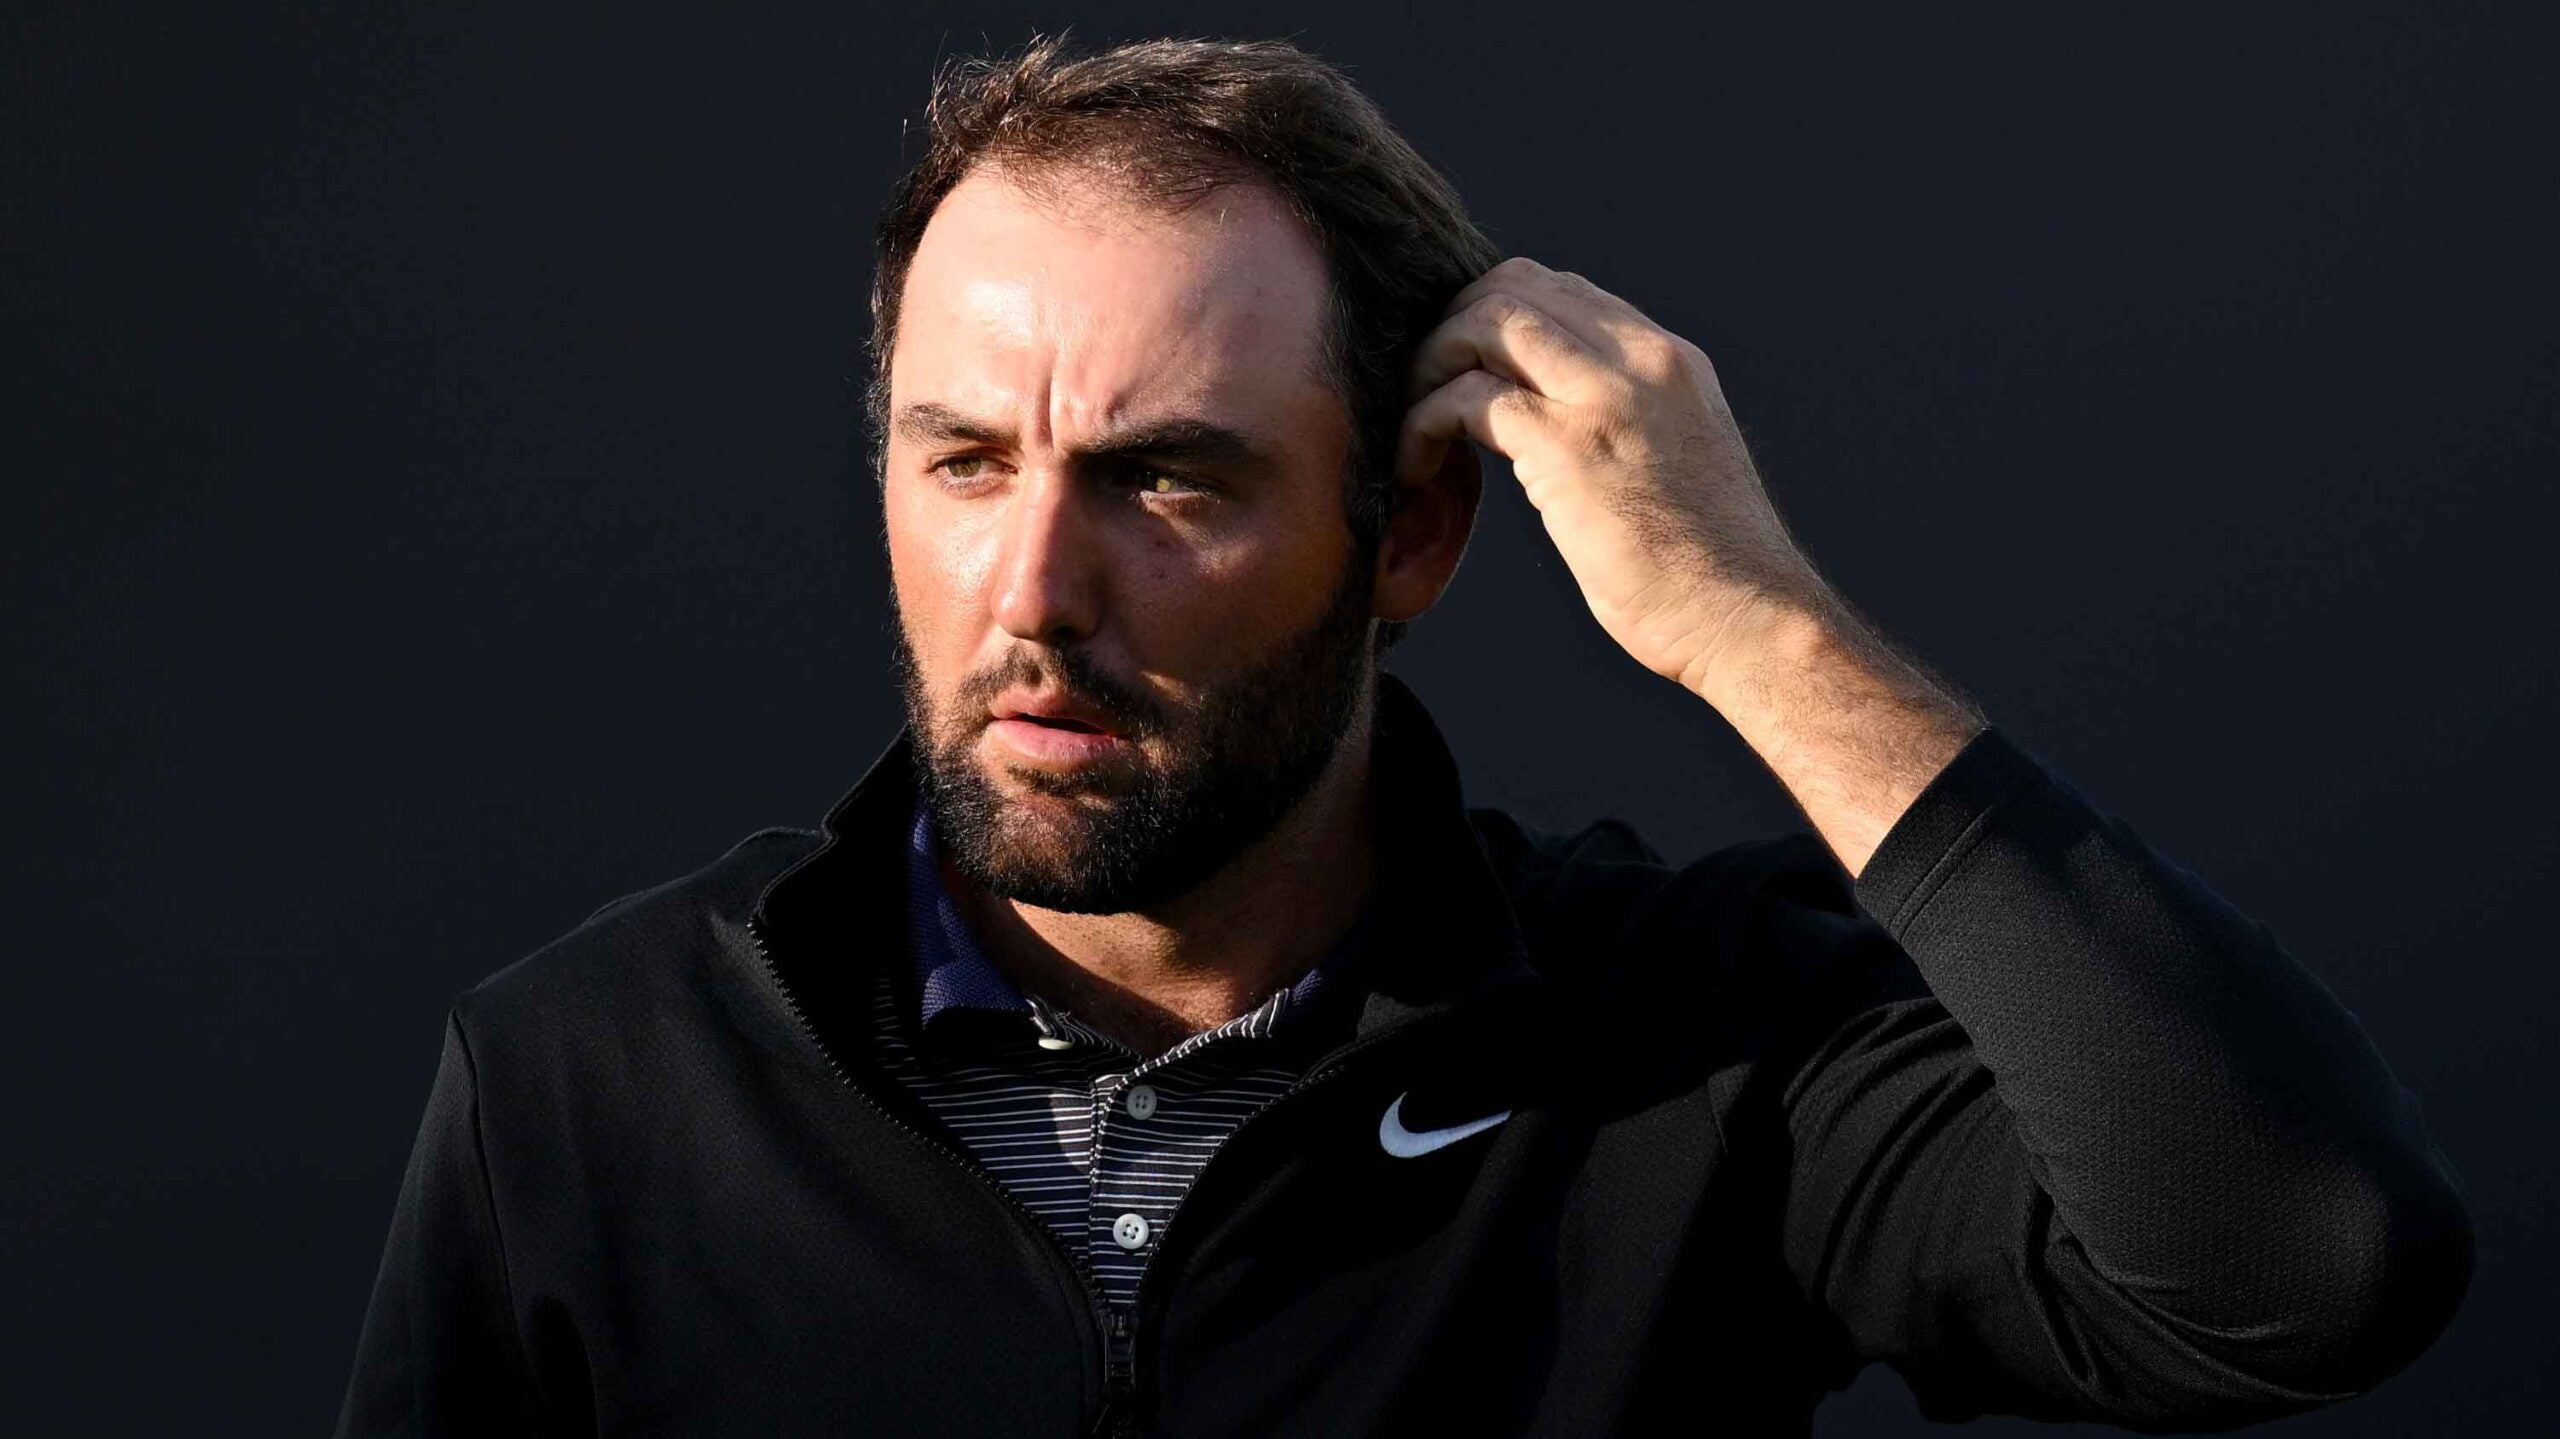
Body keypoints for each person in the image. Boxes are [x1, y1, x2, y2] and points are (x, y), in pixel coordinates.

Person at [332, 33, 2474, 1437]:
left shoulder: (1687, 1054)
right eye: (964, 461)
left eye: (1168, 478)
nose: (1032, 592)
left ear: (1413, 529)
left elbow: (2305, 1267)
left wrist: (1756, 631)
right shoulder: (588, 1079)